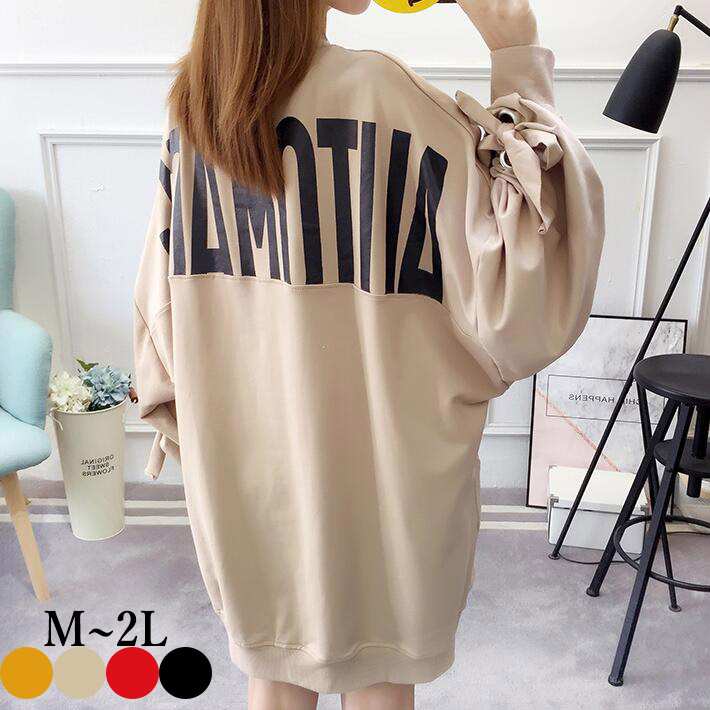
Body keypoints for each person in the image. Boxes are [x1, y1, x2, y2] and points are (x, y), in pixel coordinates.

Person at [132, 0, 605, 708]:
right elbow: (524, 290)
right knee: (380, 675)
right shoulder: (385, 96)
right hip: (387, 479)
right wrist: (517, 50)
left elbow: (161, 315)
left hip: (246, 476)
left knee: (274, 668)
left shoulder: (196, 109)